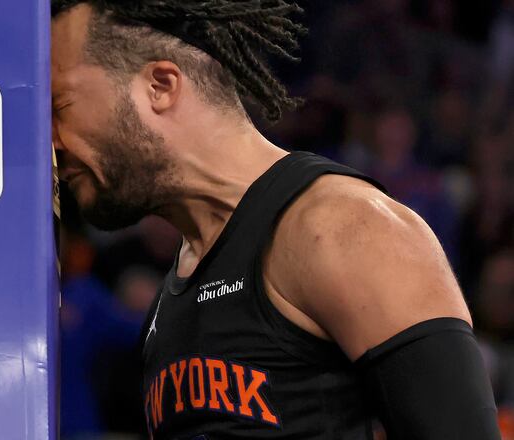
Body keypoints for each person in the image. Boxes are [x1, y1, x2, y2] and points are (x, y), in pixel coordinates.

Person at [51, 1, 500, 438]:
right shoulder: (171, 295)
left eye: (60, 108)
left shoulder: (341, 226)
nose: (52, 144)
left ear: (161, 86)